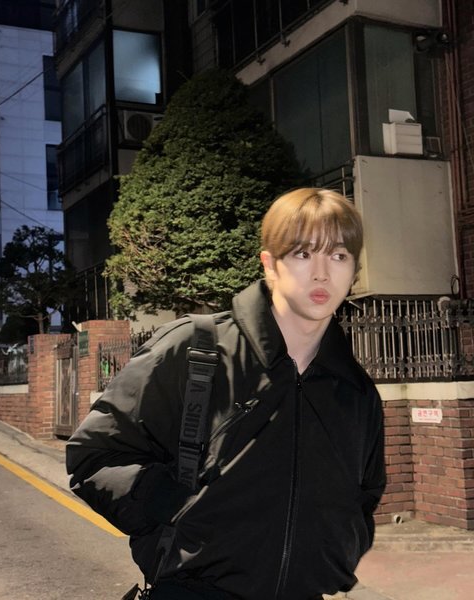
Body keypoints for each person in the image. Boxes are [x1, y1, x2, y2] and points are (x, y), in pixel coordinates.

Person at [66, 187, 386, 600]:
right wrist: (176, 508)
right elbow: (95, 457)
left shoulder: (356, 391)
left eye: (339, 256)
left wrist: (341, 549)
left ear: (355, 270)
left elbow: (364, 494)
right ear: (270, 265)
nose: (322, 273)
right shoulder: (194, 349)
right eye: (303, 254)